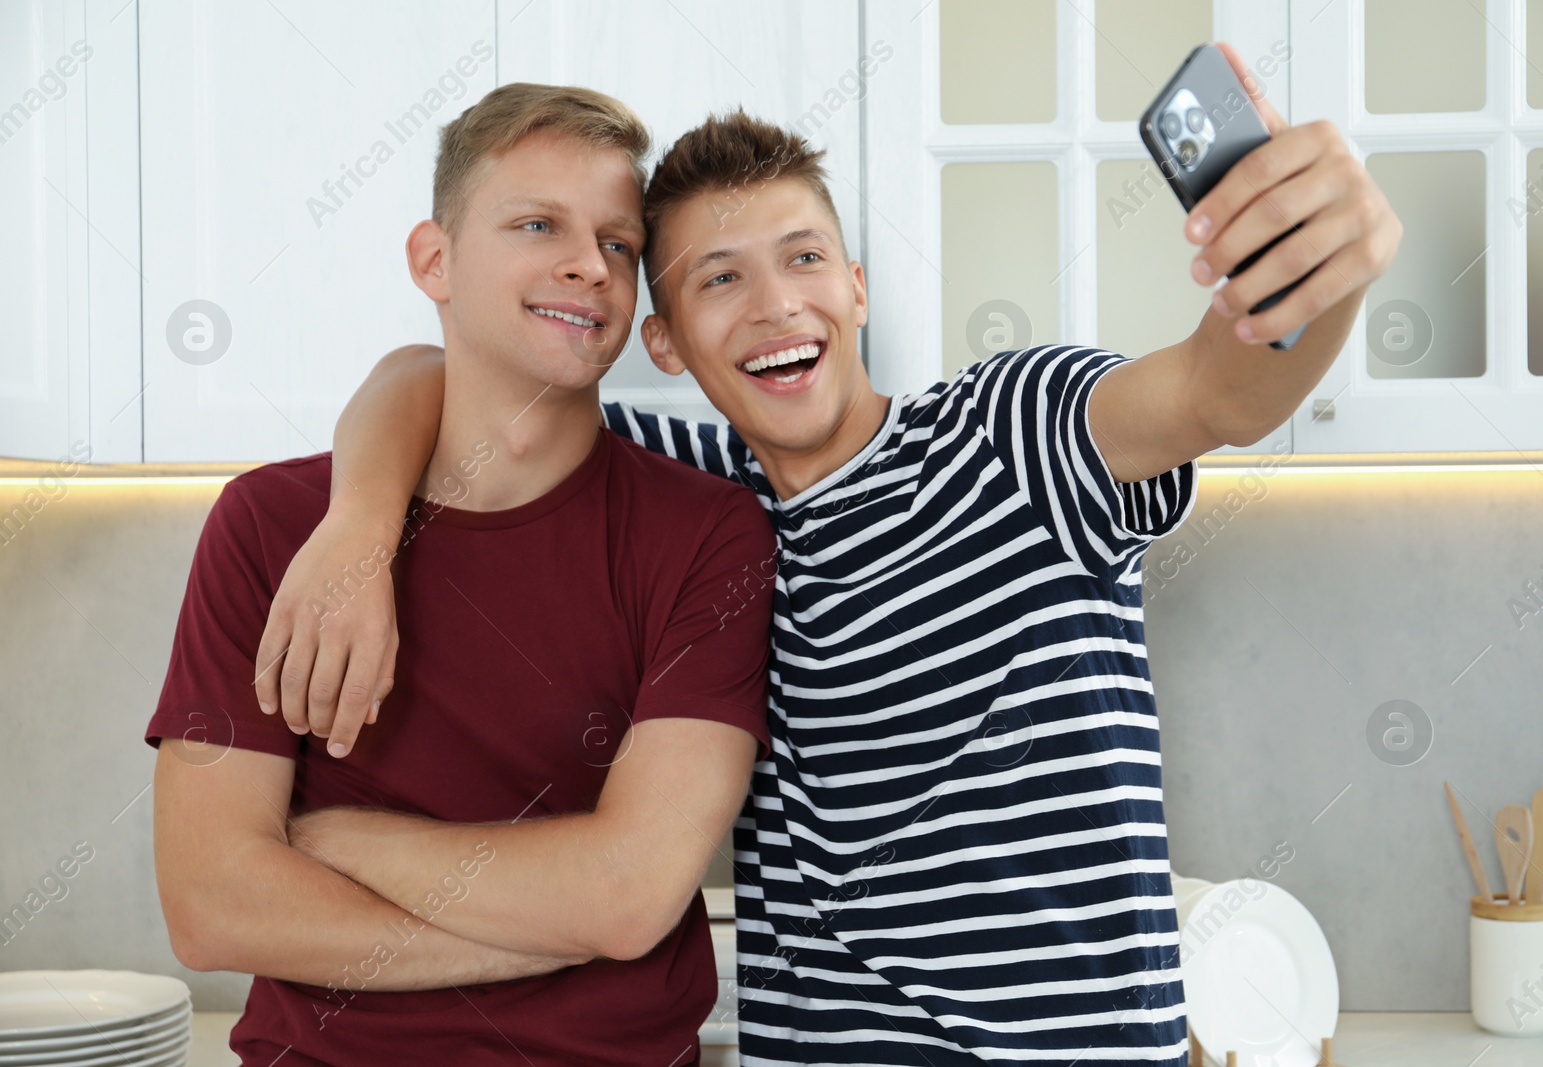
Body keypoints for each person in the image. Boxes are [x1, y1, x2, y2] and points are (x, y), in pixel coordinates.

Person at [256, 43, 1401, 1066]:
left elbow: (1219, 389)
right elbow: (430, 379)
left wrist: (1312, 274)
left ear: (855, 287)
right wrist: (358, 522)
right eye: (718, 278)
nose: (773, 305)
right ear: (664, 340)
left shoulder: (1010, 432)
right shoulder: (685, 495)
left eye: (804, 257)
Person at [146, 83, 777, 1067]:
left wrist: (338, 842)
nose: (588, 264)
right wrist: (569, 928)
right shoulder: (272, 527)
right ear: (432, 260)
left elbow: (630, 893)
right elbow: (214, 904)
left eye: (617, 243)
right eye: (537, 224)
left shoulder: (709, 532)